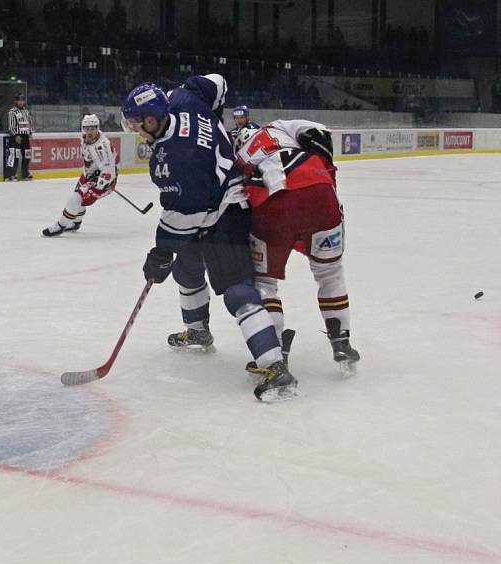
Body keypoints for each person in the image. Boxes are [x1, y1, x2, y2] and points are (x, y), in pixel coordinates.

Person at [121, 78, 297, 402]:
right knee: (185, 269)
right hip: (209, 203)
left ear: (151, 119)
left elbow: (183, 215)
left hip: (225, 214)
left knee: (237, 291)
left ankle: (274, 366)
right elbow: (216, 83)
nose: (134, 130)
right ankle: (199, 330)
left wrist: (160, 251)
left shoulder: (174, 162)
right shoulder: (182, 97)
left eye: (136, 123)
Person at [234, 120, 360, 373]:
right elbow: (319, 132)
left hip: (272, 205)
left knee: (265, 282)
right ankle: (341, 341)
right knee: (330, 273)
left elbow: (236, 198)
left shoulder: (237, 155)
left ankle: (274, 347)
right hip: (319, 191)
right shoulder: (280, 126)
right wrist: (327, 174)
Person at [42, 114, 118, 236]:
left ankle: (60, 226)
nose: (89, 132)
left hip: (103, 181)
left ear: (97, 128)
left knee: (76, 198)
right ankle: (76, 222)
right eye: (87, 128)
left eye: (93, 128)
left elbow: (109, 171)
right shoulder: (83, 137)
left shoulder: (102, 147)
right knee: (79, 200)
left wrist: (99, 184)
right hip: (88, 174)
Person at [5, 94, 34, 181]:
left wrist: (30, 132)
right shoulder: (12, 112)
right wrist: (15, 135)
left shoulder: (26, 111)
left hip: (25, 137)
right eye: (19, 100)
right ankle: (10, 175)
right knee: (14, 156)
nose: (21, 102)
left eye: (22, 100)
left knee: (27, 156)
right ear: (16, 102)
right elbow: (10, 126)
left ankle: (25, 174)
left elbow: (29, 123)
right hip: (15, 137)